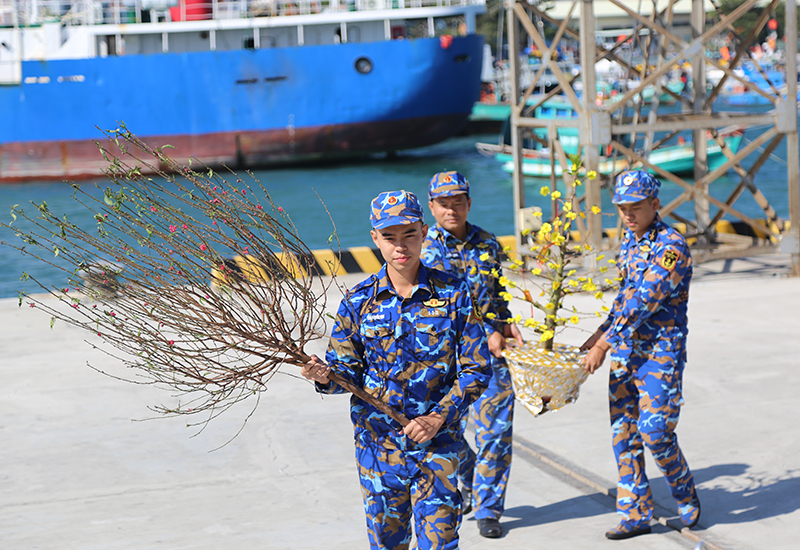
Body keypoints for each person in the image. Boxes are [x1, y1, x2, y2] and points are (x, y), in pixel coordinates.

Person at [302, 190, 492, 550]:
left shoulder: (454, 293)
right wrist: (324, 377)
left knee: (440, 543)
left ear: (424, 232)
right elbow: (346, 373)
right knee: (388, 544)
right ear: (375, 238)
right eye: (389, 237)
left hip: (438, 445)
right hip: (378, 448)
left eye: (409, 234)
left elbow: (477, 369)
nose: (400, 246)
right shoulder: (358, 301)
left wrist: (437, 417)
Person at [581, 170, 701, 540]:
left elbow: (643, 301)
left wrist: (604, 344)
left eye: (635, 207)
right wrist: (600, 332)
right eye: (622, 208)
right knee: (624, 434)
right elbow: (624, 299)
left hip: (659, 354)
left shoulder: (672, 247)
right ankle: (635, 514)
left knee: (655, 431)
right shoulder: (630, 243)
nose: (628, 214)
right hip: (625, 351)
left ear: (655, 204)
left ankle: (683, 487)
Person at [421, 171, 523, 539]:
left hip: (491, 356)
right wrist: (486, 328)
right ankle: (470, 475)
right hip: (443, 358)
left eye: (458, 202)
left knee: (497, 432)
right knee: (445, 431)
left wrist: (505, 324)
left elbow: (496, 293)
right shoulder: (423, 249)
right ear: (432, 207)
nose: (451, 209)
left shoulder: (488, 242)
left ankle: (488, 509)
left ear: (468, 203)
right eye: (444, 203)